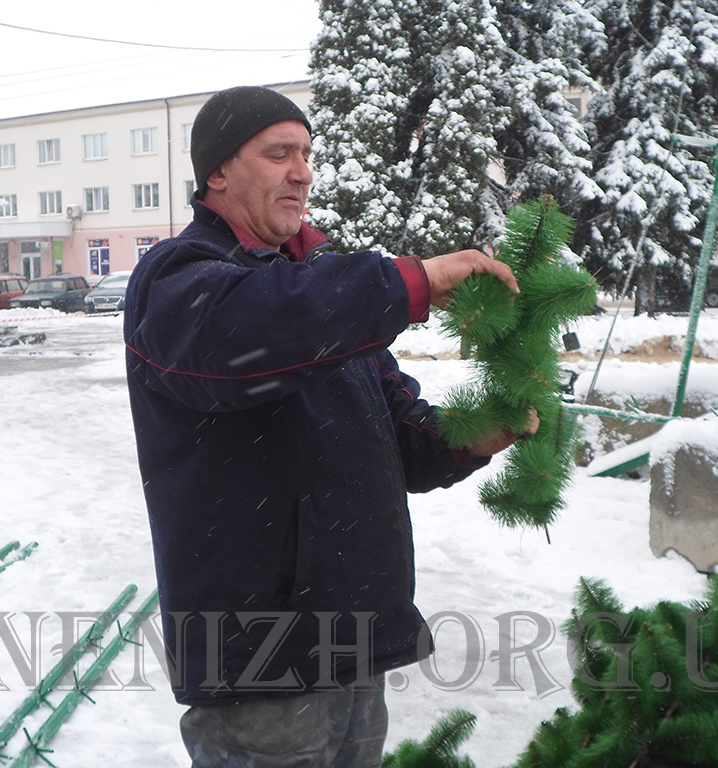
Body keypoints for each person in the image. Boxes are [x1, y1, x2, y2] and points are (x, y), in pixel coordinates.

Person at [123, 85, 538, 767]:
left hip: (351, 650)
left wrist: (482, 433)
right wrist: (410, 283)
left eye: (307, 154)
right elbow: (247, 335)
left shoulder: (325, 301)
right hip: (260, 662)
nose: (302, 171)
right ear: (218, 173)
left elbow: (403, 442)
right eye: (278, 153)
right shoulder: (179, 278)